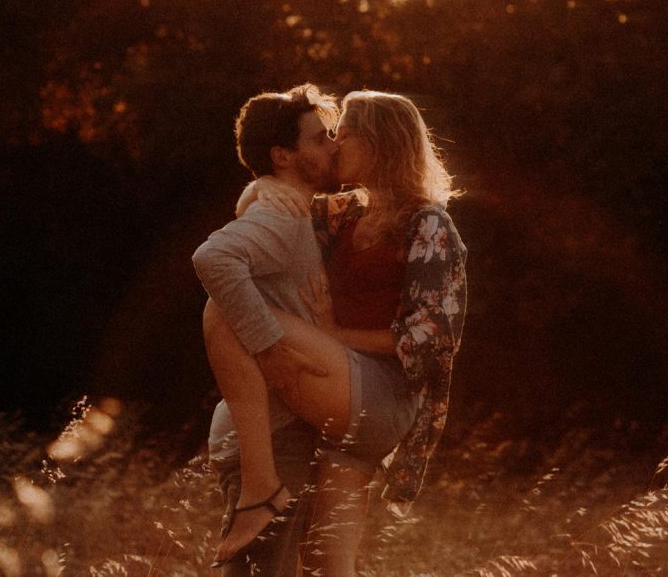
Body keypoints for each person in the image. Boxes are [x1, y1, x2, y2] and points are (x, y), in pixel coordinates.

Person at [199, 90, 467, 574]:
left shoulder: (429, 223)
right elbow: (281, 197)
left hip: (379, 394)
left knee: (223, 313)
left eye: (343, 135)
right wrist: (260, 188)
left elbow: (431, 338)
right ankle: (262, 488)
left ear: (379, 144)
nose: (335, 144)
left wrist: (335, 332)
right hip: (340, 391)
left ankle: (260, 487)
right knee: (326, 564)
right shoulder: (345, 213)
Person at [193, 83, 342, 576]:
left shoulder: (288, 207)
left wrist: (257, 186)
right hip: (273, 438)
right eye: (320, 138)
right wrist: (271, 347)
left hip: (278, 431)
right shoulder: (280, 216)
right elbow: (213, 256)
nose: (333, 146)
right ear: (284, 156)